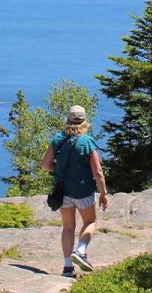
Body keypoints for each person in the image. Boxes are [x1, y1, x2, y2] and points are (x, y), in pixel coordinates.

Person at [40, 104, 108, 277]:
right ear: (84, 121)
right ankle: (81, 251)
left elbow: (45, 165)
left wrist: (61, 171)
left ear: (68, 120)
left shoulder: (58, 138)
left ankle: (68, 267)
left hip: (63, 191)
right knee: (90, 222)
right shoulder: (87, 141)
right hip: (83, 190)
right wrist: (104, 194)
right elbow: (98, 172)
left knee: (68, 227)